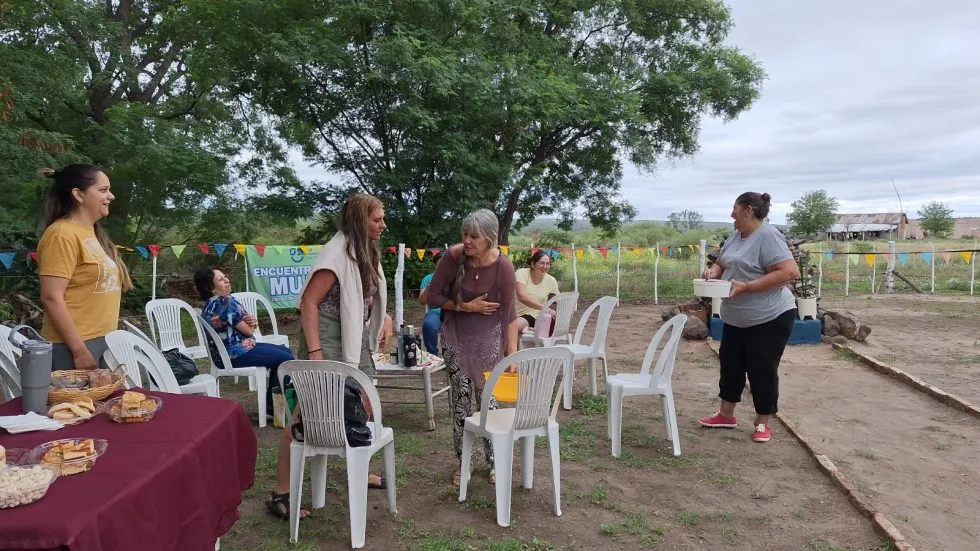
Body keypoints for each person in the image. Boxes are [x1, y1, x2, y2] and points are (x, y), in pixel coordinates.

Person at [266, 193, 394, 520]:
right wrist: (316, 353)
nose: (383, 224)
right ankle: (280, 491)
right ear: (358, 221)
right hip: (324, 333)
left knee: (363, 398)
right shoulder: (336, 253)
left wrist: (384, 315)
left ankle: (358, 466)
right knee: (304, 412)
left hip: (352, 332)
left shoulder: (364, 250)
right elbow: (309, 303)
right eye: (377, 219)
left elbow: (365, 294)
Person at [698, 192, 800, 443]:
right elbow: (722, 263)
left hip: (770, 316)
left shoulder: (768, 237)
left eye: (735, 208)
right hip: (736, 317)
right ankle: (726, 415)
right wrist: (713, 271)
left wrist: (747, 286)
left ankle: (763, 421)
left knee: (762, 369)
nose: (731, 213)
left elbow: (789, 273)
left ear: (749, 210)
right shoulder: (736, 235)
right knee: (730, 364)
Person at [426, 209, 518, 487]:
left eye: (474, 236)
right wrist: (465, 306)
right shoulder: (453, 258)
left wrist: (510, 354)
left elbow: (510, 315)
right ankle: (463, 461)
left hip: (489, 343)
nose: (467, 241)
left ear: (490, 238)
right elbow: (432, 296)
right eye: (465, 234)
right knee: (460, 403)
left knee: (488, 403)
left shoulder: (503, 267)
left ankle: (493, 460)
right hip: (455, 338)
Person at [37, 165, 132, 370]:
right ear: (78, 195)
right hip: (72, 346)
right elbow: (51, 297)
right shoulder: (61, 234)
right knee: (79, 404)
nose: (111, 196)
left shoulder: (90, 232)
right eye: (103, 190)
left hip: (103, 339)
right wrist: (79, 351)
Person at [195, 267, 294, 414]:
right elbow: (248, 330)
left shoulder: (210, 304)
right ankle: (274, 408)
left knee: (284, 351)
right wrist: (253, 324)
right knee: (286, 358)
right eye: (221, 280)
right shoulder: (224, 302)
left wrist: (250, 323)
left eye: (225, 277)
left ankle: (273, 405)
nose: (227, 280)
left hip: (227, 353)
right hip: (235, 353)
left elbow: (245, 322)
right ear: (211, 288)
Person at [511, 250, 560, 337]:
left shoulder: (551, 280)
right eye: (541, 263)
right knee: (506, 326)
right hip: (516, 314)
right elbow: (522, 296)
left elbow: (558, 301)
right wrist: (545, 308)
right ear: (533, 264)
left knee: (512, 326)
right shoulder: (521, 273)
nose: (545, 266)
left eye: (548, 264)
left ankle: (513, 351)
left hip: (536, 317)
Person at [417, 251, 442, 355]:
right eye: (440, 265)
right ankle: (432, 354)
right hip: (436, 312)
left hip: (454, 312)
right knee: (428, 325)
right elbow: (422, 302)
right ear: (435, 265)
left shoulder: (457, 277)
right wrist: (429, 288)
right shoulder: (428, 279)